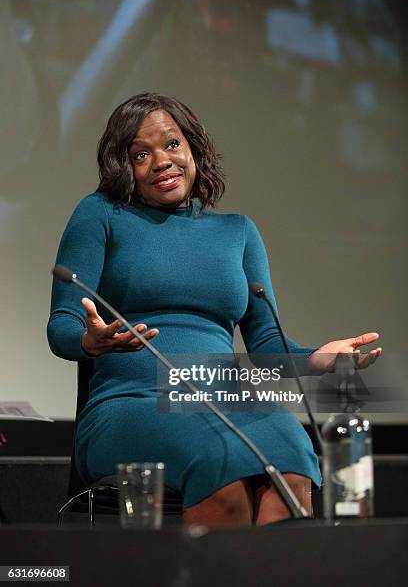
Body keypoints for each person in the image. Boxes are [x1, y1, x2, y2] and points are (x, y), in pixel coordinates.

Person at [47, 93, 381, 527]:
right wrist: (89, 341)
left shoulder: (237, 231)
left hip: (225, 399)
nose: (161, 161)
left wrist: (318, 359)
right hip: (131, 404)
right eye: (141, 154)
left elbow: (264, 345)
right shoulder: (100, 215)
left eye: (171, 144)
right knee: (222, 466)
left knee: (293, 456)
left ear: (194, 149)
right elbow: (62, 326)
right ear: (125, 168)